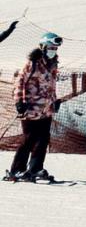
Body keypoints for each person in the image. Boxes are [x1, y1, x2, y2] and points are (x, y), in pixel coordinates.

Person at [6, 33, 61, 183]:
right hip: (30, 108)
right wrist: (19, 101)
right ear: (43, 47)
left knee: (43, 139)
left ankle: (35, 168)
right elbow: (19, 82)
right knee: (29, 139)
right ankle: (16, 170)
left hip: (46, 109)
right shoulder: (33, 63)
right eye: (51, 47)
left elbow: (51, 86)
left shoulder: (53, 64)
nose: (53, 51)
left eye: (55, 48)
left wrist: (54, 101)